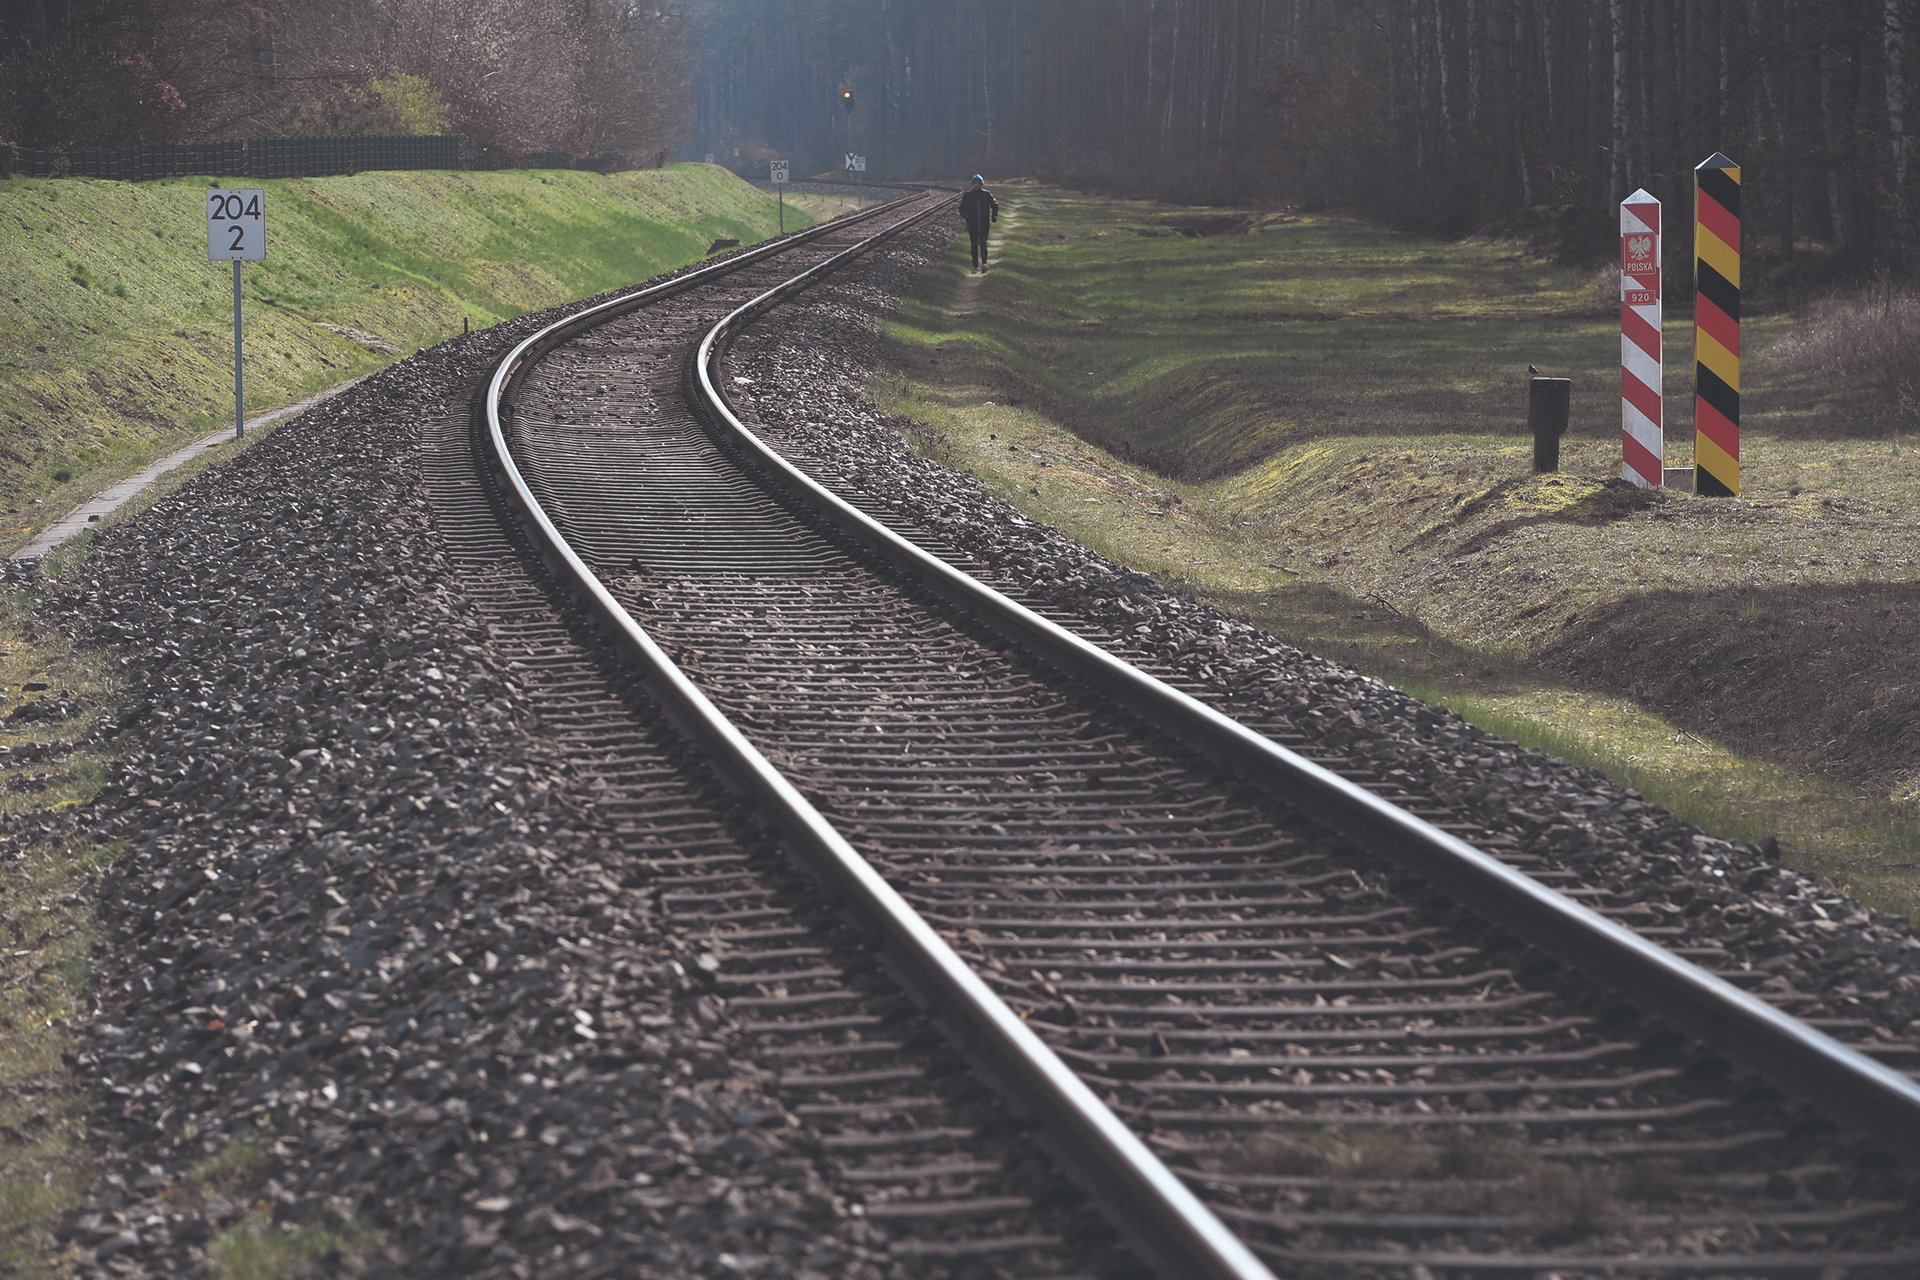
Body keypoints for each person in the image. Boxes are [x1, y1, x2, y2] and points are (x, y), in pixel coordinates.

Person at [958, 174, 999, 272]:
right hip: (972, 225)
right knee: (974, 245)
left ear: (982, 184)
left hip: (984, 225)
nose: (977, 185)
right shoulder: (967, 195)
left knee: (983, 244)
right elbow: (961, 209)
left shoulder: (987, 195)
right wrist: (967, 216)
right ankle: (975, 266)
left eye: (979, 183)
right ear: (972, 184)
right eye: (975, 183)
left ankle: (984, 264)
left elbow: (995, 205)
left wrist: (994, 216)